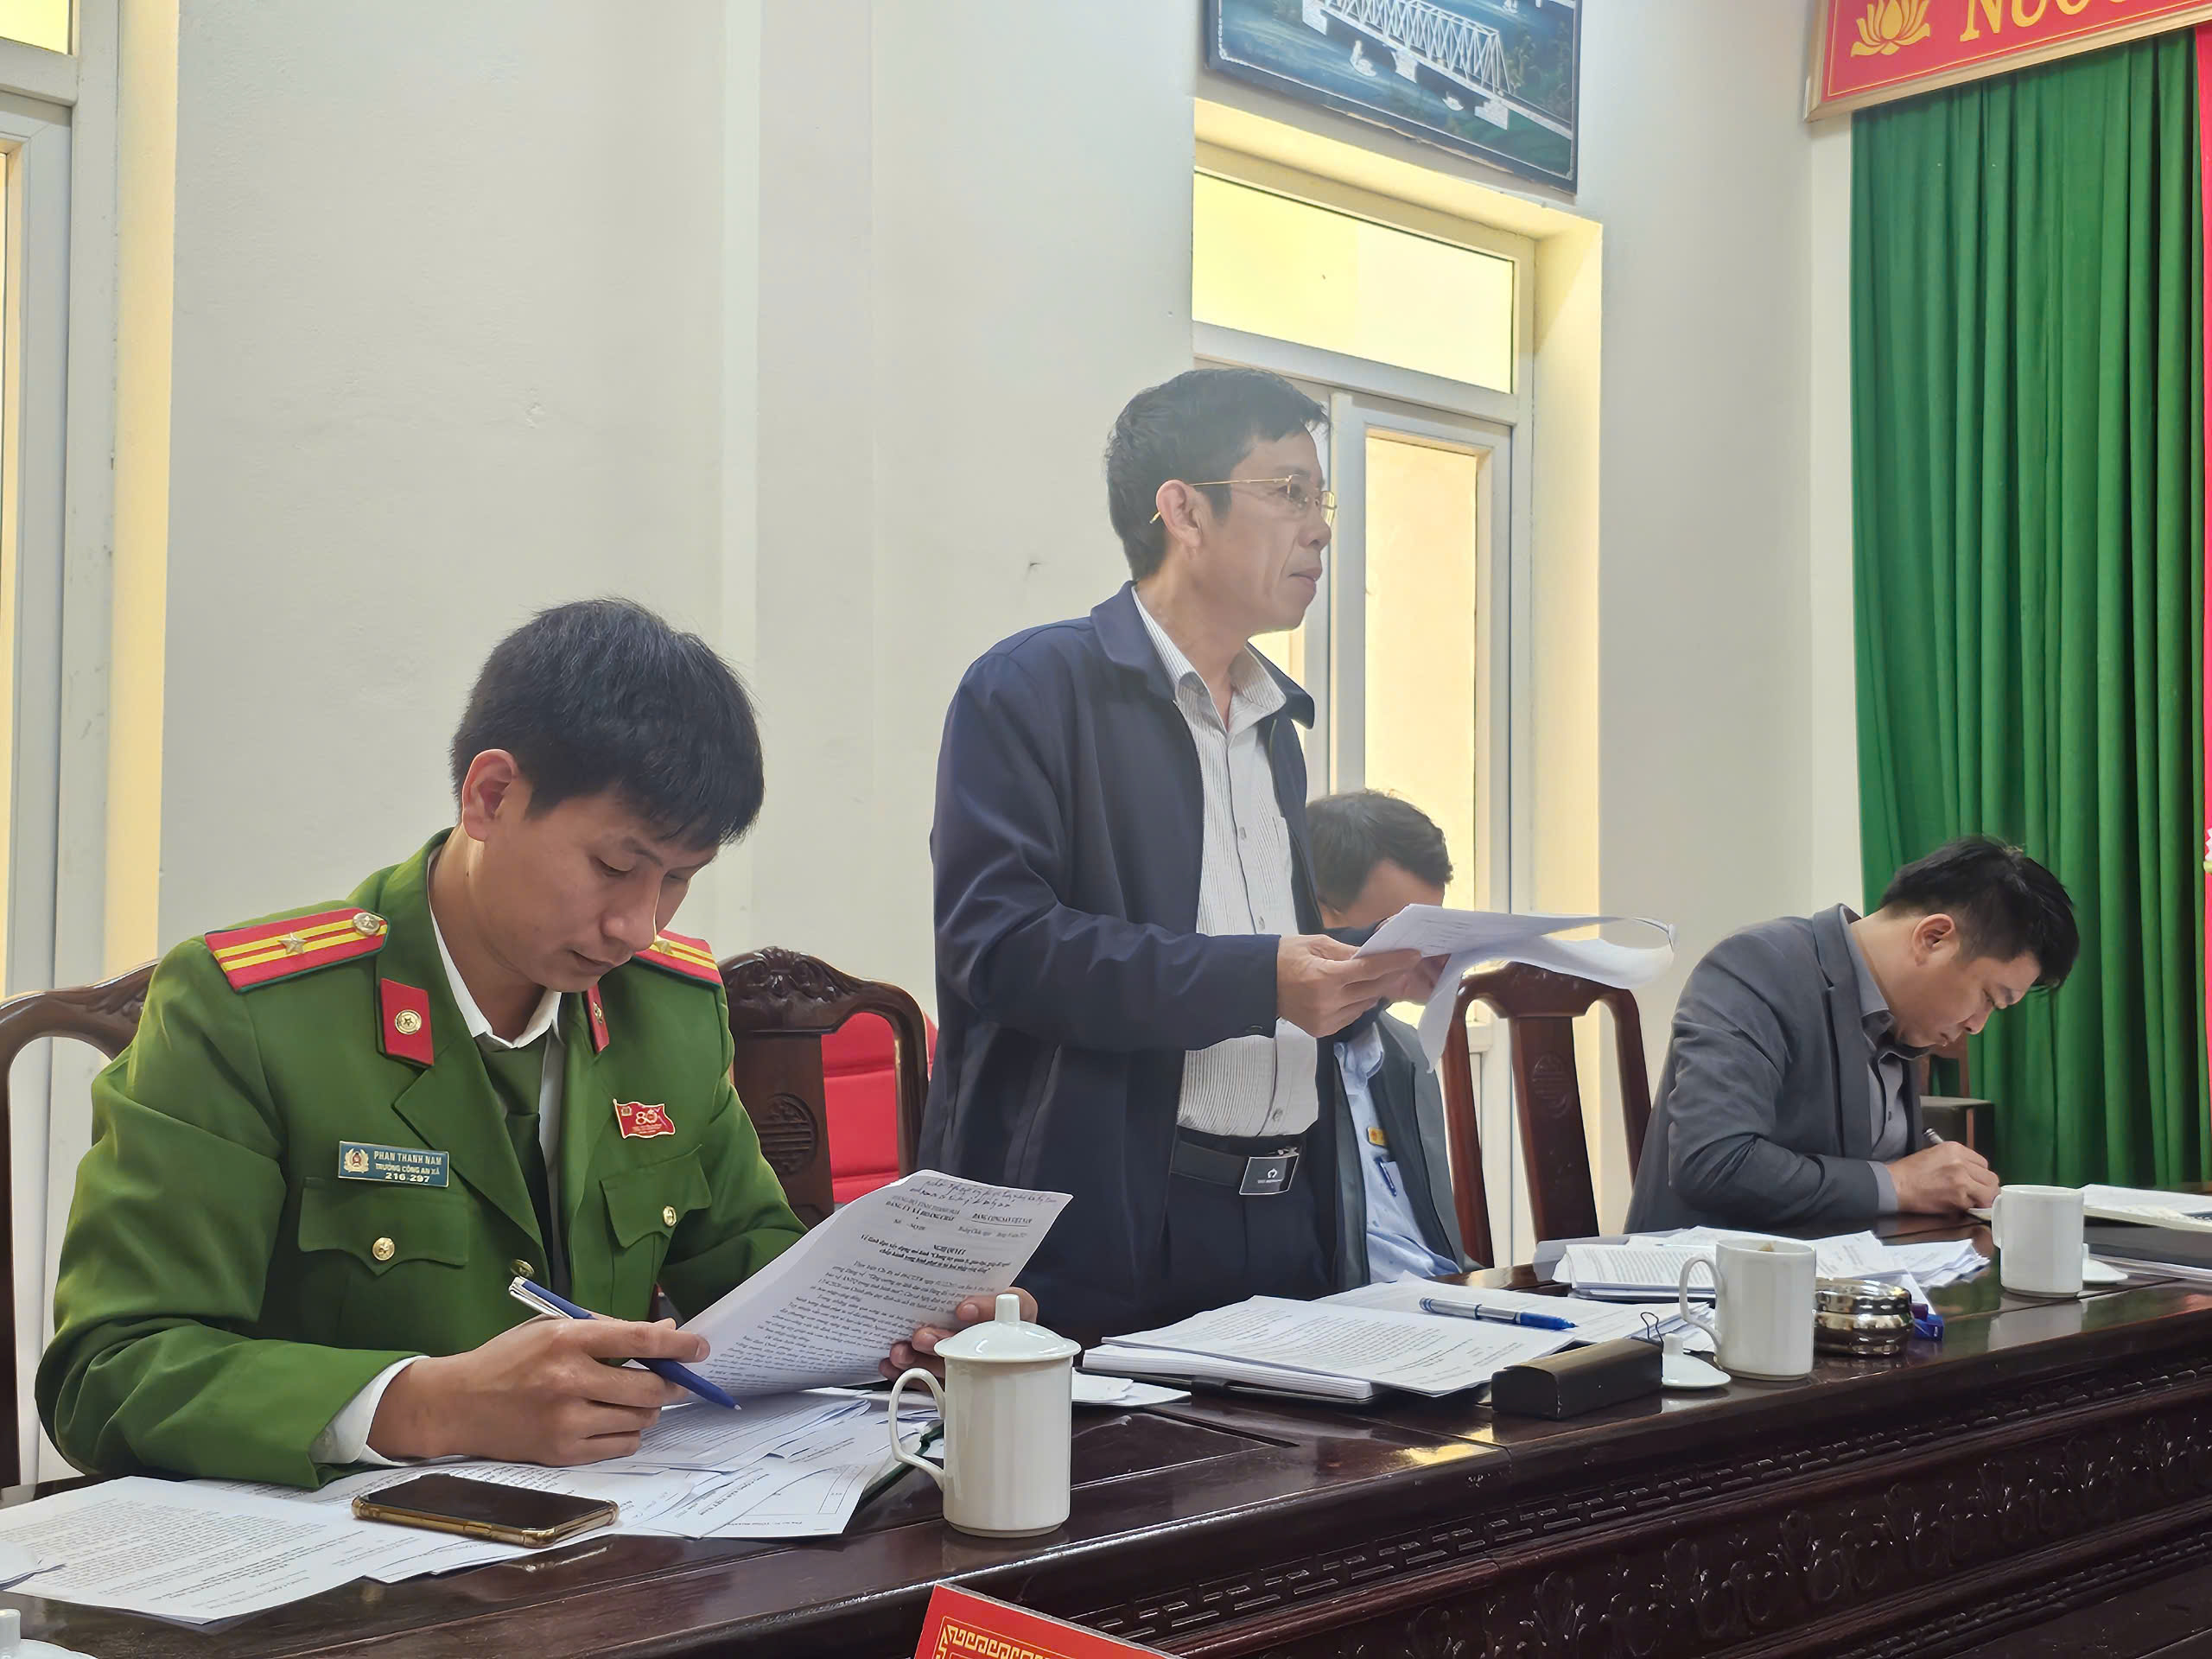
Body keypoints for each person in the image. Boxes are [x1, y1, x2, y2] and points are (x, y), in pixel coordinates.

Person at [40, 599, 1020, 1487]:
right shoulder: (250, 1014)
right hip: (344, 1568)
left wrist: (898, 1326)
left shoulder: (669, 1011)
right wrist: (426, 1405)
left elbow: (753, 1274)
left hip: (618, 1546)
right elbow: (107, 1373)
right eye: (615, 865)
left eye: (679, 879)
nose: (637, 925)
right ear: (491, 795)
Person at [924, 367, 1429, 1340]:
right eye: (1288, 492)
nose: (1319, 530)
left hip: (1287, 1219)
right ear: (1183, 511)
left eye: (1319, 500)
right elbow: (1001, 948)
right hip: (1107, 1229)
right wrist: (1261, 981)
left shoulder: (1275, 723)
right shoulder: (1031, 689)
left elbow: (1248, 946)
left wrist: (1377, 963)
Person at [1624, 836, 2078, 1234]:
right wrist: (1898, 1183)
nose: (1977, 1024)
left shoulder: (1898, 1021)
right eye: (1988, 997)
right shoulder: (1757, 967)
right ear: (1934, 937)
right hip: (1703, 1287)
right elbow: (1714, 1162)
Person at [1307, 790, 1471, 1280]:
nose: (1421, 959)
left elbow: (1437, 1245)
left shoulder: (1407, 1055)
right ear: (1314, 915)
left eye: (1433, 932)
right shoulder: (1264, 1068)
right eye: (1397, 933)